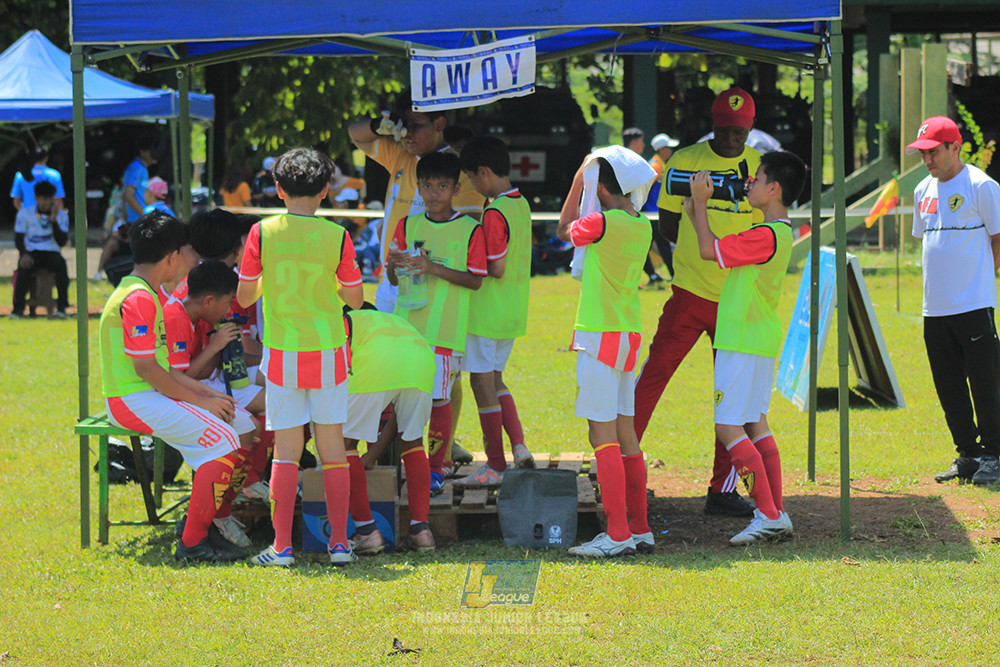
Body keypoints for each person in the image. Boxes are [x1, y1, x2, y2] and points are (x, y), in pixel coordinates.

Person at [633, 86, 764, 518]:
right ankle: (622, 465)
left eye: (739, 132)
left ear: (750, 129)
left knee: (731, 396)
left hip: (736, 299)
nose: (731, 139)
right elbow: (668, 225)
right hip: (689, 292)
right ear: (712, 124)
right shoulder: (684, 160)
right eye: (724, 130)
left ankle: (723, 490)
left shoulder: (760, 167)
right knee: (653, 375)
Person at [237, 148, 364, 567]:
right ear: (326, 190)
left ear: (278, 189)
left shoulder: (261, 233)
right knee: (333, 451)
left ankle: (282, 547)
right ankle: (340, 544)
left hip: (283, 353)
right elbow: (355, 298)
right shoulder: (338, 236)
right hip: (328, 351)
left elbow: (245, 296)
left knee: (286, 452)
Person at [98, 210, 247, 562]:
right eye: (188, 251)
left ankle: (206, 521)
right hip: (131, 400)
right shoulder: (138, 299)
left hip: (147, 395)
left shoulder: (147, 295)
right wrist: (203, 402)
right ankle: (193, 542)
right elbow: (146, 369)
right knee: (226, 440)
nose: (192, 258)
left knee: (241, 425)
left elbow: (163, 369)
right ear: (172, 257)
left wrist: (208, 394)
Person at [348, 89, 483, 472]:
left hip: (440, 291)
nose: (406, 133)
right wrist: (382, 124)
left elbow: (466, 232)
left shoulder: (460, 171)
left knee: (444, 375)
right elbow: (355, 134)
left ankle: (443, 445)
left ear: (439, 124)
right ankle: (392, 447)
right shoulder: (401, 153)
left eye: (416, 125)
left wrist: (430, 265)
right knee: (388, 363)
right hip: (394, 281)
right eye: (402, 124)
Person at [685, 151, 806, 545]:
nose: (749, 183)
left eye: (757, 178)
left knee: (728, 427)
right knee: (756, 424)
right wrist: (696, 212)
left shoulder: (764, 235)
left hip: (740, 340)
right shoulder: (778, 233)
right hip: (757, 339)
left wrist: (701, 203)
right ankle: (776, 511)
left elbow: (709, 251)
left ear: (774, 189)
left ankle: (768, 513)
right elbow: (715, 246)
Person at [557, 147, 656, 558]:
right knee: (625, 432)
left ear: (600, 188)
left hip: (599, 334)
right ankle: (640, 528)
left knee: (601, 434)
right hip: (628, 333)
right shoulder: (642, 225)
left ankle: (616, 533)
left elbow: (564, 228)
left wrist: (579, 181)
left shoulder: (601, 222)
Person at [386, 152, 487, 496]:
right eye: (427, 186)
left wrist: (433, 268)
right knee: (404, 401)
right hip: (406, 331)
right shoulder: (407, 225)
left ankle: (436, 468)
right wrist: (393, 264)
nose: (434, 193)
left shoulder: (470, 229)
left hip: (444, 332)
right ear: (418, 187)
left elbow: (475, 280)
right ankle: (406, 465)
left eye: (442, 186)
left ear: (456, 189)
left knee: (439, 400)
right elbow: (394, 279)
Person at [907, 116, 1000, 487]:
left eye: (933, 152)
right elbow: (929, 242)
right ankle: (968, 453)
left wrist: (979, 278)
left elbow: (998, 238)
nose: (927, 160)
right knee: (948, 385)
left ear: (954, 147)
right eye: (922, 153)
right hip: (935, 307)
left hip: (974, 304)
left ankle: (993, 454)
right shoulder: (921, 190)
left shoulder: (982, 186)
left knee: (985, 382)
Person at [452, 136, 535, 487]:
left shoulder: (494, 212)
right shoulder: (520, 203)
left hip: (486, 314)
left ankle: (496, 466)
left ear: (484, 172)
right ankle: (519, 447)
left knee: (481, 384)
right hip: (512, 311)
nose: (472, 185)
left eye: (472, 178)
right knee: (497, 381)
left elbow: (496, 268)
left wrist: (460, 261)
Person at [162, 259, 262, 549]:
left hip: (191, 391)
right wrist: (216, 347)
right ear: (208, 301)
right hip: (172, 398)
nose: (229, 310)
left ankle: (223, 510)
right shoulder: (176, 317)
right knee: (235, 433)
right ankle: (212, 520)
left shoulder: (196, 316)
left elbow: (197, 372)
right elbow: (177, 378)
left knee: (250, 427)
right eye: (228, 302)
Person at [342, 303, 437, 553]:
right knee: (413, 442)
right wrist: (371, 456)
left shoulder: (345, 320)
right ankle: (421, 531)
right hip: (421, 363)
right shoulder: (390, 322)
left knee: (343, 445)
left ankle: (366, 532)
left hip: (377, 363)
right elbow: (398, 419)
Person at [11, 181, 70, 319]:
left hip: (52, 252)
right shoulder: (25, 214)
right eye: (43, 199)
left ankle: (62, 308)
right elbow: (18, 239)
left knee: (61, 265)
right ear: (36, 198)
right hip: (32, 253)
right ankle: (17, 310)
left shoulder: (62, 215)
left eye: (49, 199)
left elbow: (61, 242)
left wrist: (54, 221)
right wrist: (24, 254)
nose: (46, 202)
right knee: (23, 268)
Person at [642, 132, 681, 283]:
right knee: (652, 245)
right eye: (669, 148)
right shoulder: (655, 166)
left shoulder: (661, 164)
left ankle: (665, 274)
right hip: (651, 214)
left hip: (656, 214)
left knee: (661, 244)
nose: (671, 150)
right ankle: (657, 274)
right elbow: (643, 188)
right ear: (662, 149)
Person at [10, 147, 65, 212]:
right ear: (46, 158)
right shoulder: (54, 175)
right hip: (47, 216)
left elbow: (16, 202)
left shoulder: (20, 175)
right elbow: (58, 201)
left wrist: (25, 214)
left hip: (28, 216)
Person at [122, 136, 158, 224]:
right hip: (136, 221)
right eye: (151, 150)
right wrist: (144, 215)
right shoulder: (137, 168)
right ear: (142, 152)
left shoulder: (141, 168)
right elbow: (128, 195)